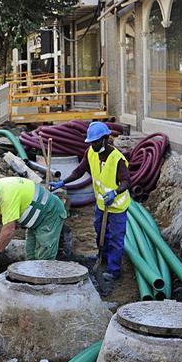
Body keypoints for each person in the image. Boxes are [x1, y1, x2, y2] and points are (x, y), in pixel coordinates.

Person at [52, 122, 130, 288]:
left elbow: (126, 181)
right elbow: (79, 171)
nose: (92, 145)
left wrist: (115, 192)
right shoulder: (91, 153)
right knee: (100, 231)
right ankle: (102, 258)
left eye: (95, 142)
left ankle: (114, 270)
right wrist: (63, 182)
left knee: (116, 237)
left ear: (105, 139)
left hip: (117, 206)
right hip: (101, 204)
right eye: (90, 142)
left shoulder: (117, 159)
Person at [0, 176, 68, 269]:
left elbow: (9, 230)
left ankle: (46, 284)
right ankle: (33, 281)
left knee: (44, 257)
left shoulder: (7, 195)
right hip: (36, 220)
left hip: (50, 214)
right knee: (31, 253)